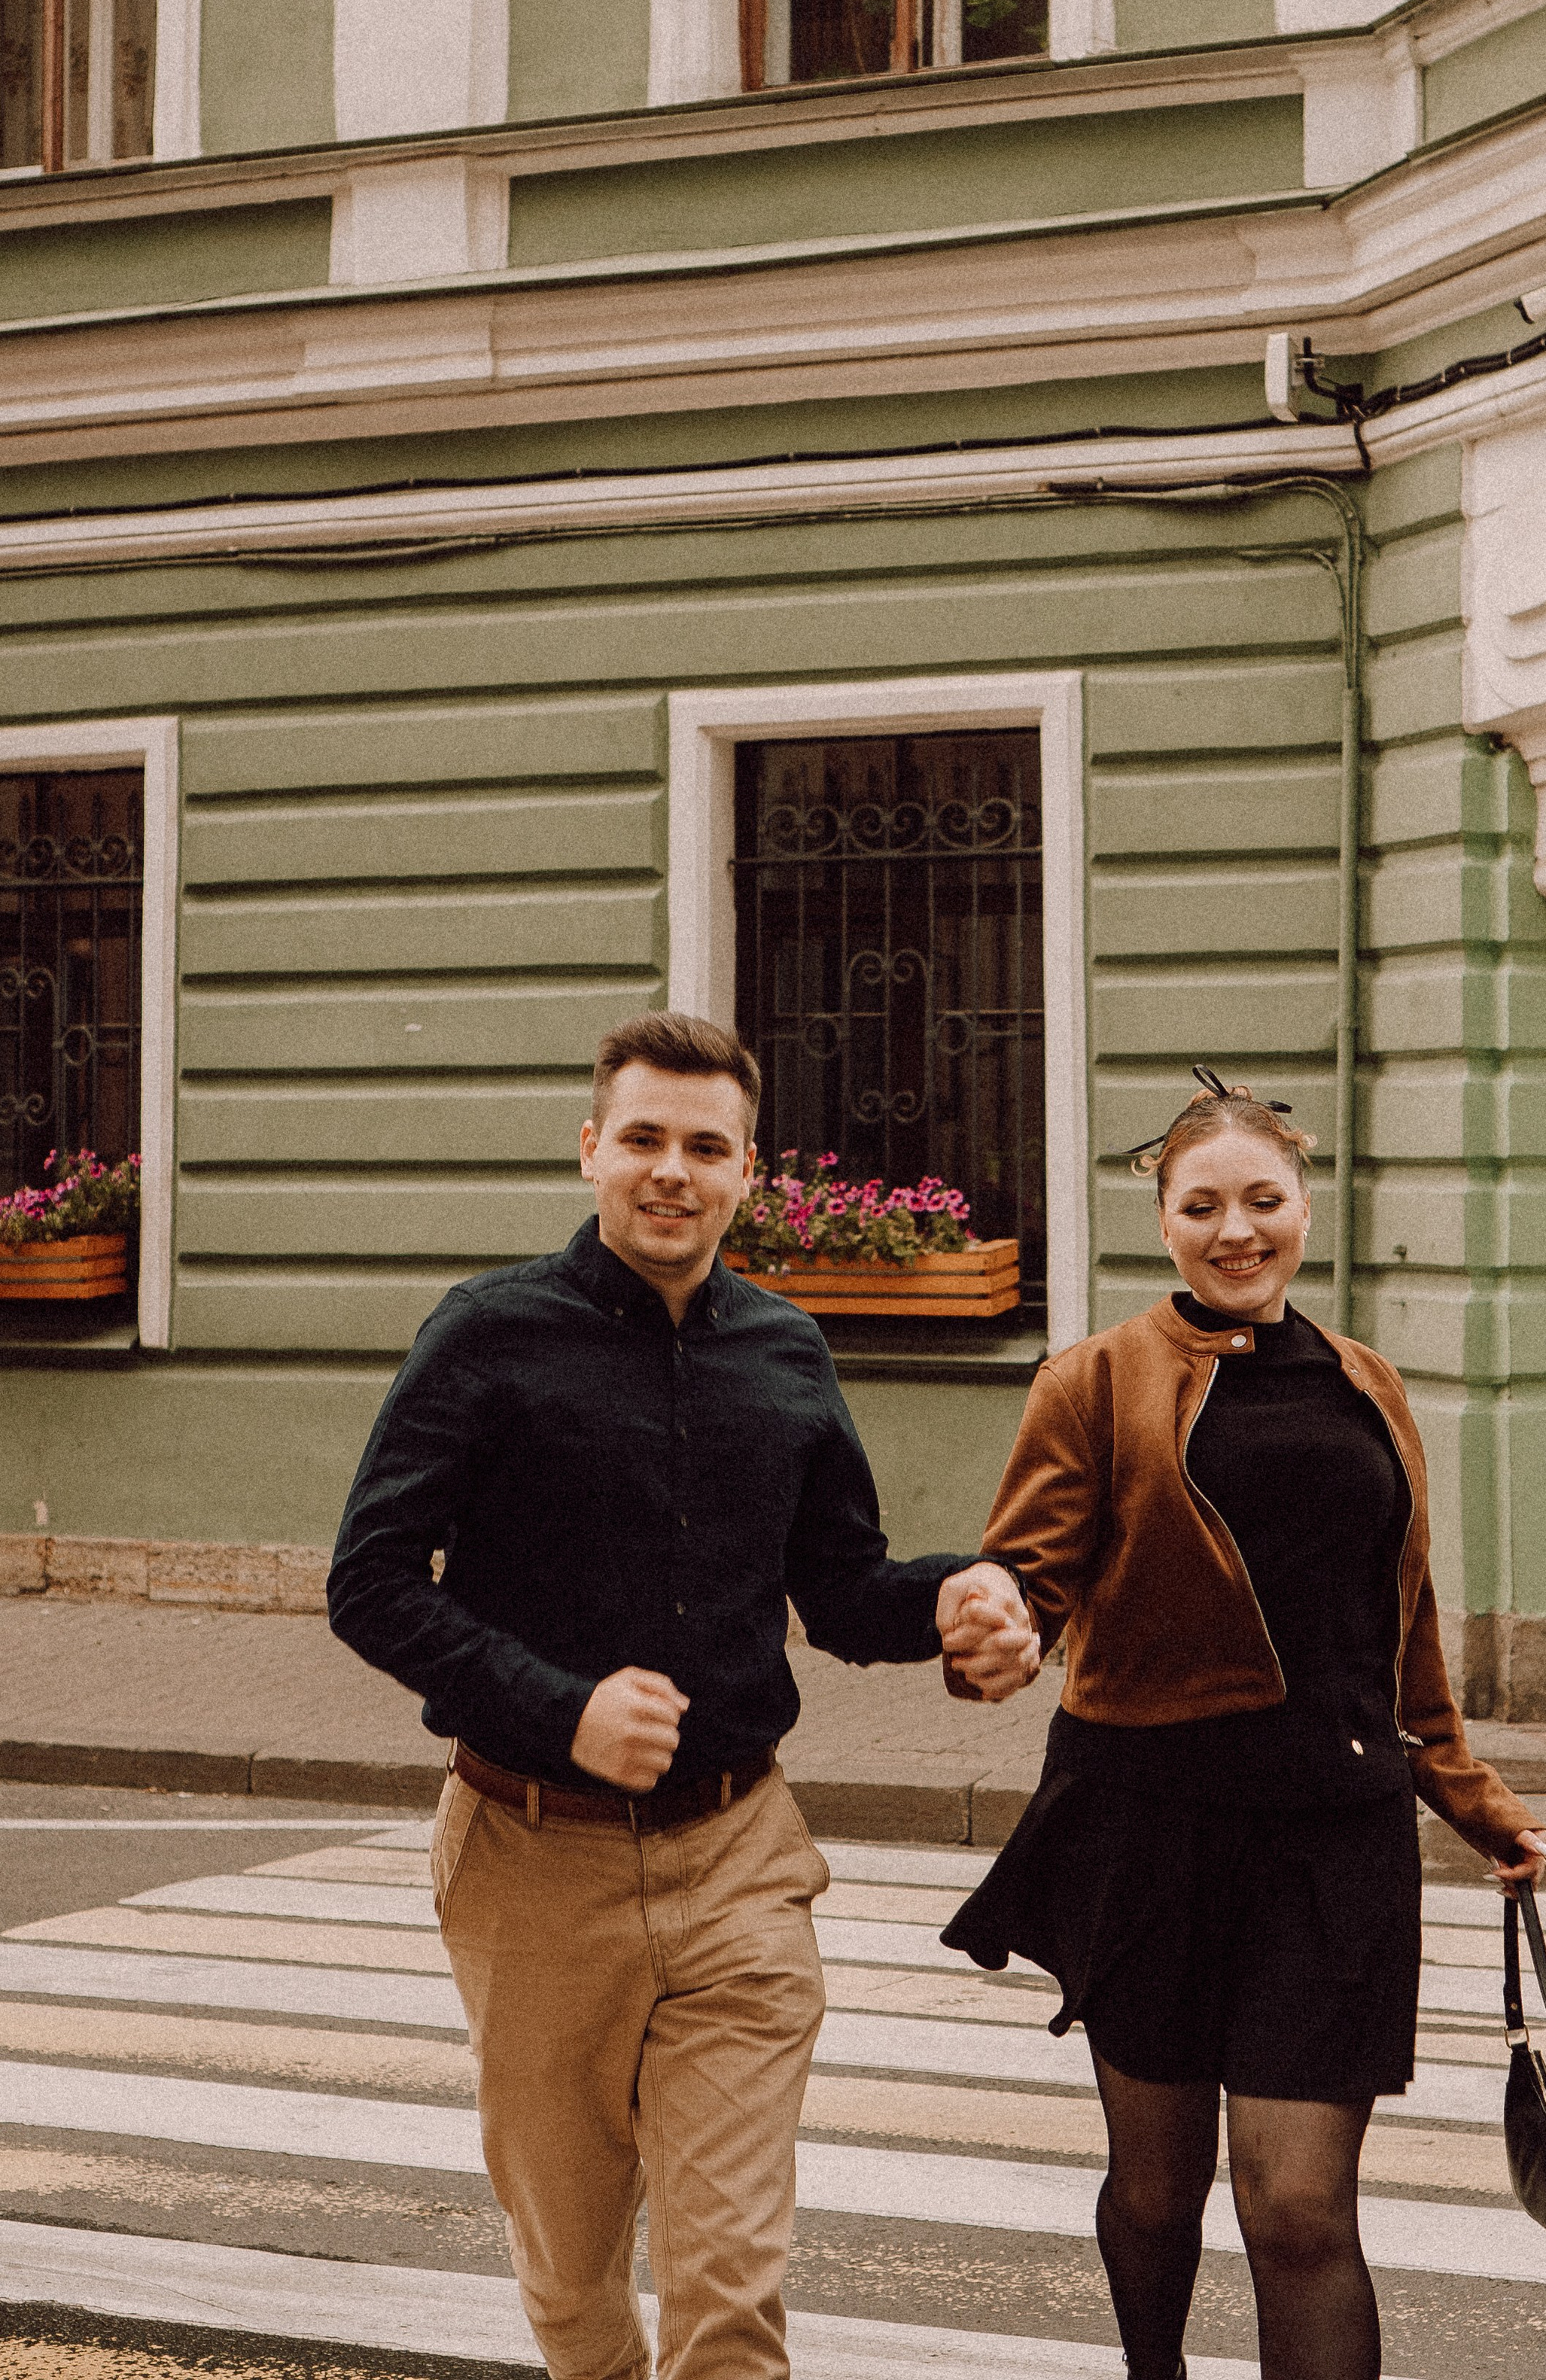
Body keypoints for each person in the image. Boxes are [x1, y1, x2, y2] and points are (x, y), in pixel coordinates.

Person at [327, 1012, 1039, 2380]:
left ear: (747, 1173)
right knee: (577, 2278)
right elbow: (369, 1582)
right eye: (643, 1138)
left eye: (704, 1147)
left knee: (728, 2290)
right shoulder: (486, 1336)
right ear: (592, 1148)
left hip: (739, 1866)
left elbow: (841, 1592)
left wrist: (959, 1598)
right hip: (532, 1865)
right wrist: (558, 1707)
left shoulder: (785, 1352)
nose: (672, 1170)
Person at [942, 1079, 1546, 2380]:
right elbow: (1029, 1577)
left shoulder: (1365, 1384)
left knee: (1298, 2207)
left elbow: (1399, 1622)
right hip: (1146, 1828)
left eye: (1262, 1201)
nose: (1237, 1231)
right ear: (1161, 1219)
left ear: (1302, 1207)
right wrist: (996, 1632)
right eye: (1202, 1205)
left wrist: (1472, 1795)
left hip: (1334, 1840)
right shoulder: (1094, 1380)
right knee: (1158, 2190)